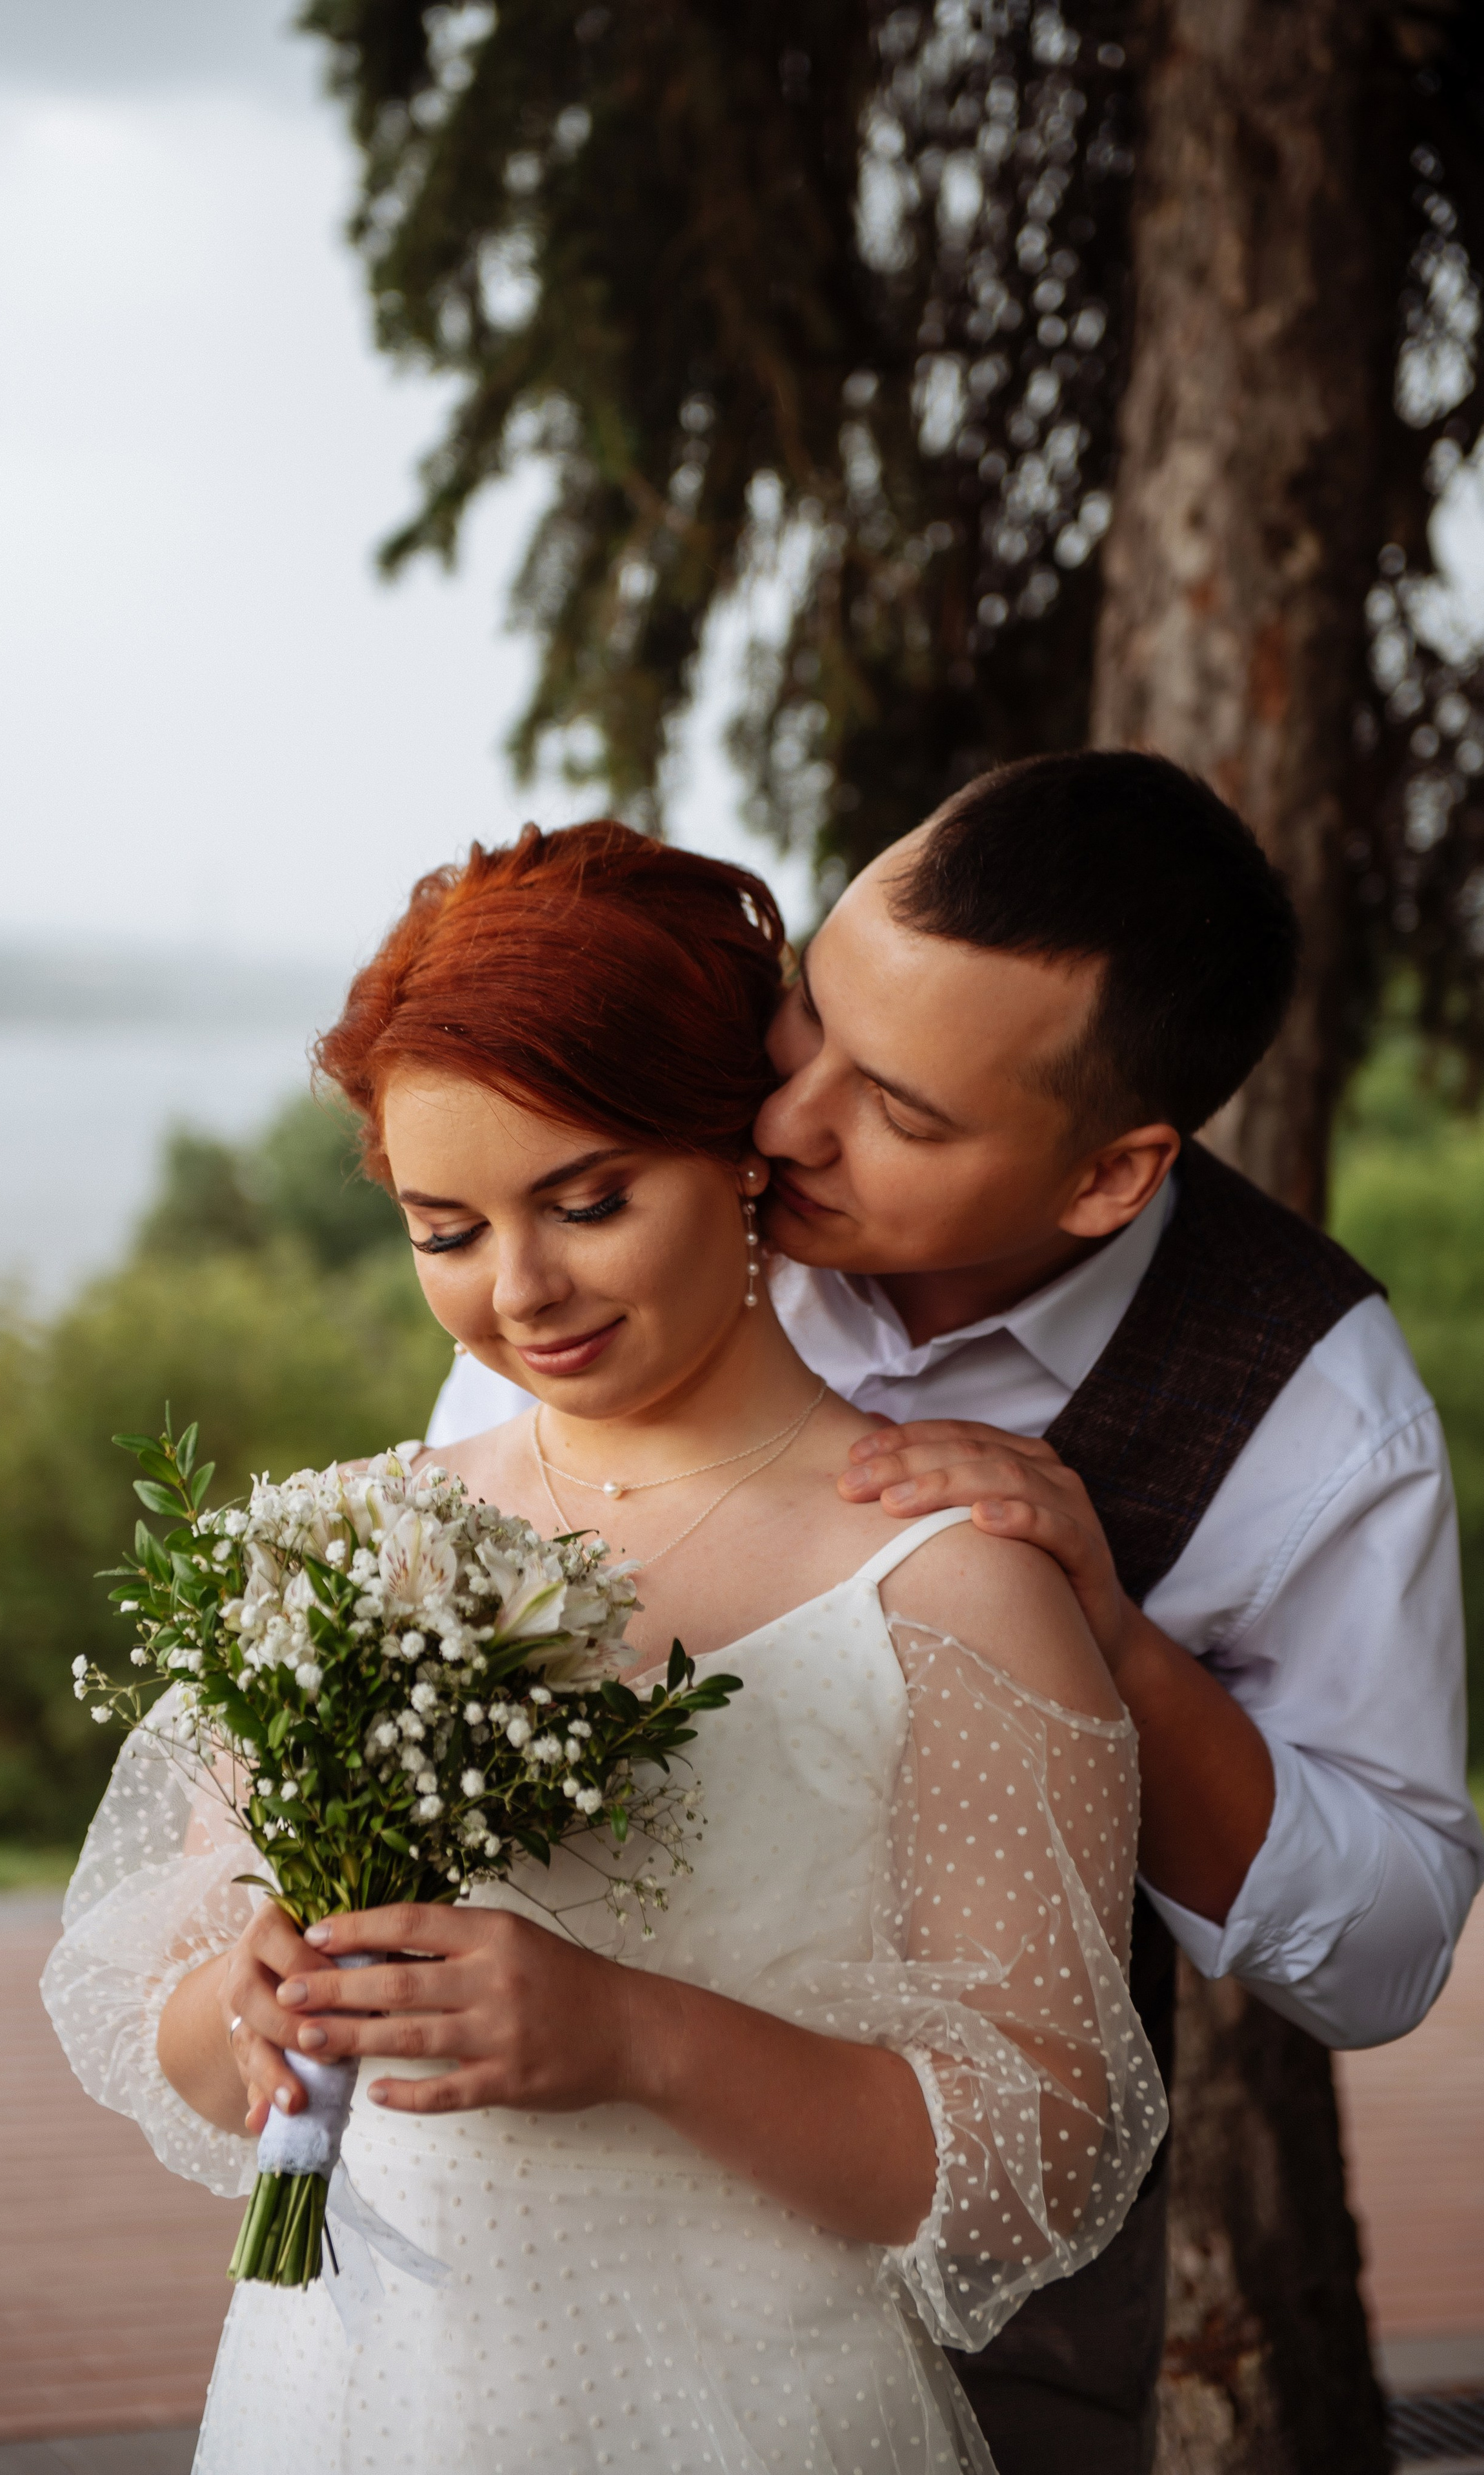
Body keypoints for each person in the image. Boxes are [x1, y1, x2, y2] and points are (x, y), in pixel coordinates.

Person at [44, 820, 1166, 2475]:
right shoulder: (352, 1544)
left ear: (742, 1154)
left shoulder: (948, 1585)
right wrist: (248, 2003)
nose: (522, 1290)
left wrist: (634, 2038)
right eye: (445, 1229)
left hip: (751, 2417)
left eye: (587, 1201)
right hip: (339, 2401)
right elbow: (195, 2054)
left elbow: (1038, 2167)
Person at [433, 752, 1484, 2474]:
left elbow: (1385, 1953)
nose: (786, 1121)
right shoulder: (650, 1187)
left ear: (1108, 1175)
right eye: (809, 1016)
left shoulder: (1314, 1410)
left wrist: (1115, 1644)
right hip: (550, 2224)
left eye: (898, 1112)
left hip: (999, 2286)